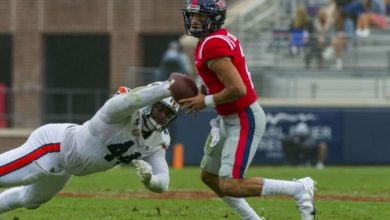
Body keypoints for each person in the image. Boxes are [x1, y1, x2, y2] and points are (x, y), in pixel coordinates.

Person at [179, 1, 316, 220]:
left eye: (201, 16)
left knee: (231, 185)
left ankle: (299, 188)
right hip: (227, 117)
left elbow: (237, 89)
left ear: (214, 18)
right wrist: (202, 94)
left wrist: (204, 101)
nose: (194, 20)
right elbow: (222, 82)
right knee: (210, 177)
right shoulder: (214, 39)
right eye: (193, 15)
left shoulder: (213, 44)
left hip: (243, 117)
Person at [0, 79, 179, 213]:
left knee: (30, 199)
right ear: (149, 103)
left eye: (167, 114)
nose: (161, 116)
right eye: (159, 108)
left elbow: (163, 182)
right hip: (53, 146)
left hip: (67, 167)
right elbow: (130, 100)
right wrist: (167, 87)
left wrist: (150, 180)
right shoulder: (123, 112)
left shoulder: (158, 140)